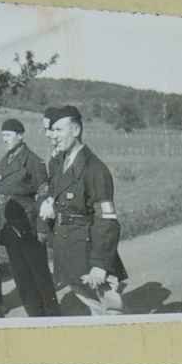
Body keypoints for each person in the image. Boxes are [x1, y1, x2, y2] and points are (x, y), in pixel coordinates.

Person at [39, 105, 126, 315]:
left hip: (89, 253)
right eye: (53, 130)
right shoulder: (62, 164)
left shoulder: (94, 169)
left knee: (111, 309)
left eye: (59, 130)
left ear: (76, 130)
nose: (54, 136)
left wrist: (99, 264)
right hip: (70, 250)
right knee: (95, 308)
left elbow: (106, 221)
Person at [0, 118, 59, 318]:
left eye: (8, 134)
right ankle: (34, 314)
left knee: (39, 273)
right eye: (2, 135)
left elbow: (44, 196)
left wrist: (42, 229)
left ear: (20, 135)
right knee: (21, 276)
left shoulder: (33, 161)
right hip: (10, 226)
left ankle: (52, 313)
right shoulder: (4, 161)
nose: (4, 139)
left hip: (29, 226)